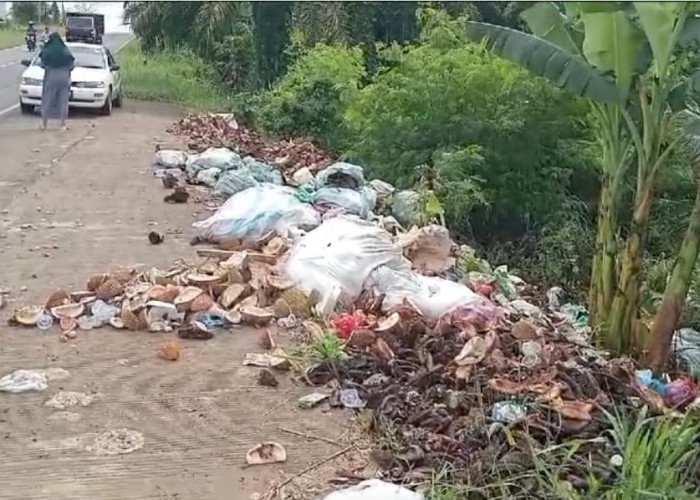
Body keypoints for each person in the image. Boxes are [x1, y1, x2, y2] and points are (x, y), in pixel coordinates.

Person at [38, 32, 74, 131]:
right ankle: (62, 124)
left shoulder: (47, 50)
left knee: (47, 100)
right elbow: (72, 65)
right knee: (63, 102)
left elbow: (41, 64)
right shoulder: (65, 50)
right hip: (64, 77)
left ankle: (44, 124)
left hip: (51, 76)